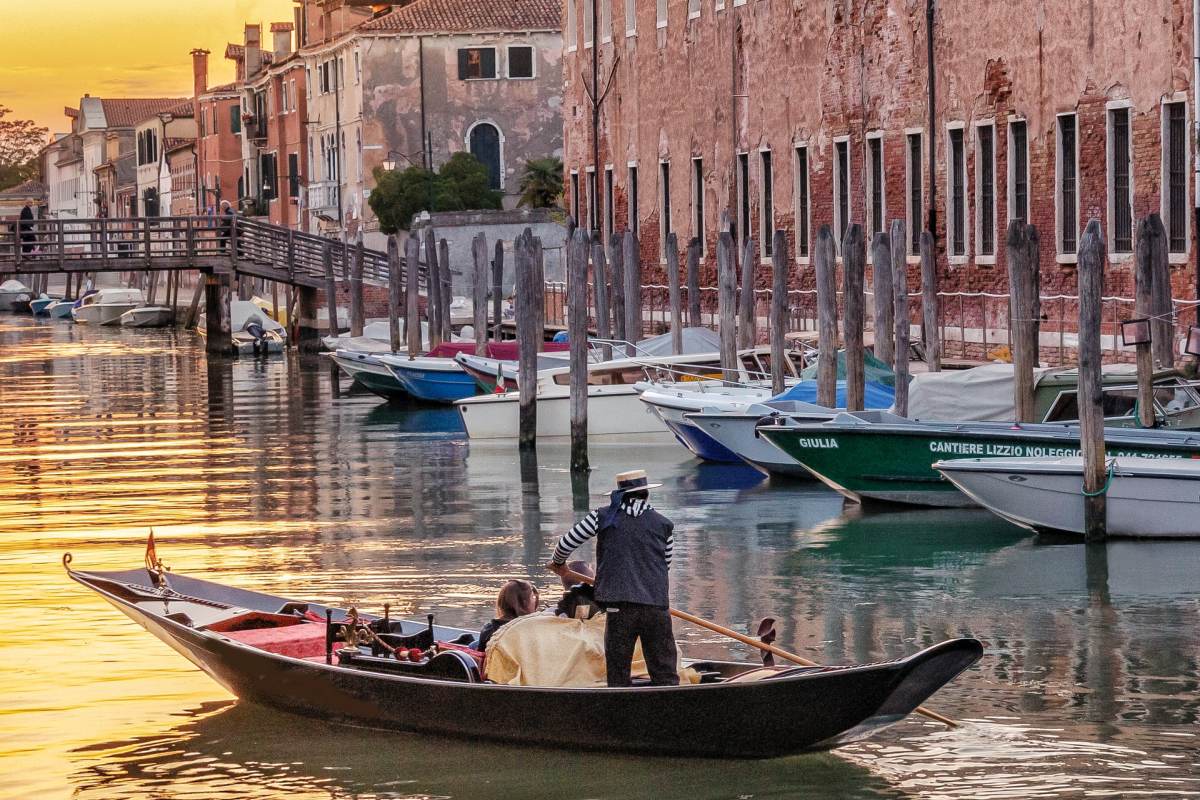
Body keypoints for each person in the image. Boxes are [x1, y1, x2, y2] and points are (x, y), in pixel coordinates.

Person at [548, 470, 678, 687]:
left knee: (618, 673)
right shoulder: (664, 524)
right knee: (665, 673)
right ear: (646, 494)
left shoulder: (601, 516)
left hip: (619, 607)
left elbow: (565, 543)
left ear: (620, 494)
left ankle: (620, 706)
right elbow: (665, 567)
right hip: (656, 607)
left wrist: (559, 563)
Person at [476, 579, 539, 652]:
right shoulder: (531, 629)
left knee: (474, 644)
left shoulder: (489, 629)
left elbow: (480, 654)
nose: (535, 600)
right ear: (524, 603)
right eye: (532, 597)